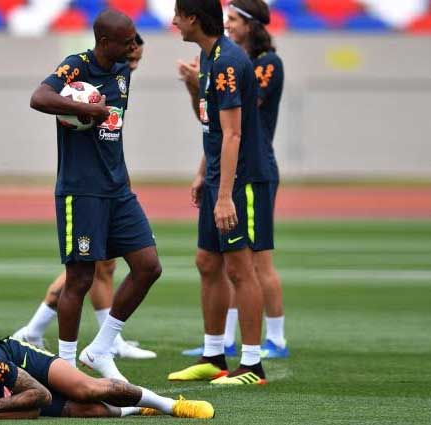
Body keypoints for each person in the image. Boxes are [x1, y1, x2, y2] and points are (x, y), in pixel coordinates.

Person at [29, 9, 162, 382]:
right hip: (81, 190)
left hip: (118, 190)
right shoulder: (77, 66)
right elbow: (39, 97)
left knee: (148, 266)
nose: (133, 47)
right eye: (127, 41)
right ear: (104, 42)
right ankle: (66, 368)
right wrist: (84, 109)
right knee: (80, 279)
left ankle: (101, 348)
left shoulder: (122, 71)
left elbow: (113, 132)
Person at [167, 0, 275, 385]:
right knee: (207, 262)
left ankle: (252, 365)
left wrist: (226, 195)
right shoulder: (209, 58)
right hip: (218, 176)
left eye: (178, 14)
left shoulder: (228, 62)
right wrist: (203, 173)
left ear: (194, 19)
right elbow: (210, 124)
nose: (173, 21)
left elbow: (233, 134)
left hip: (241, 180)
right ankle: (214, 356)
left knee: (240, 268)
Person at [0, 337, 215, 419]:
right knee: (85, 410)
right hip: (19, 390)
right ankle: (139, 407)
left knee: (87, 390)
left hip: (23, 360)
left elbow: (42, 395)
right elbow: (33, 411)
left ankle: (171, 405)